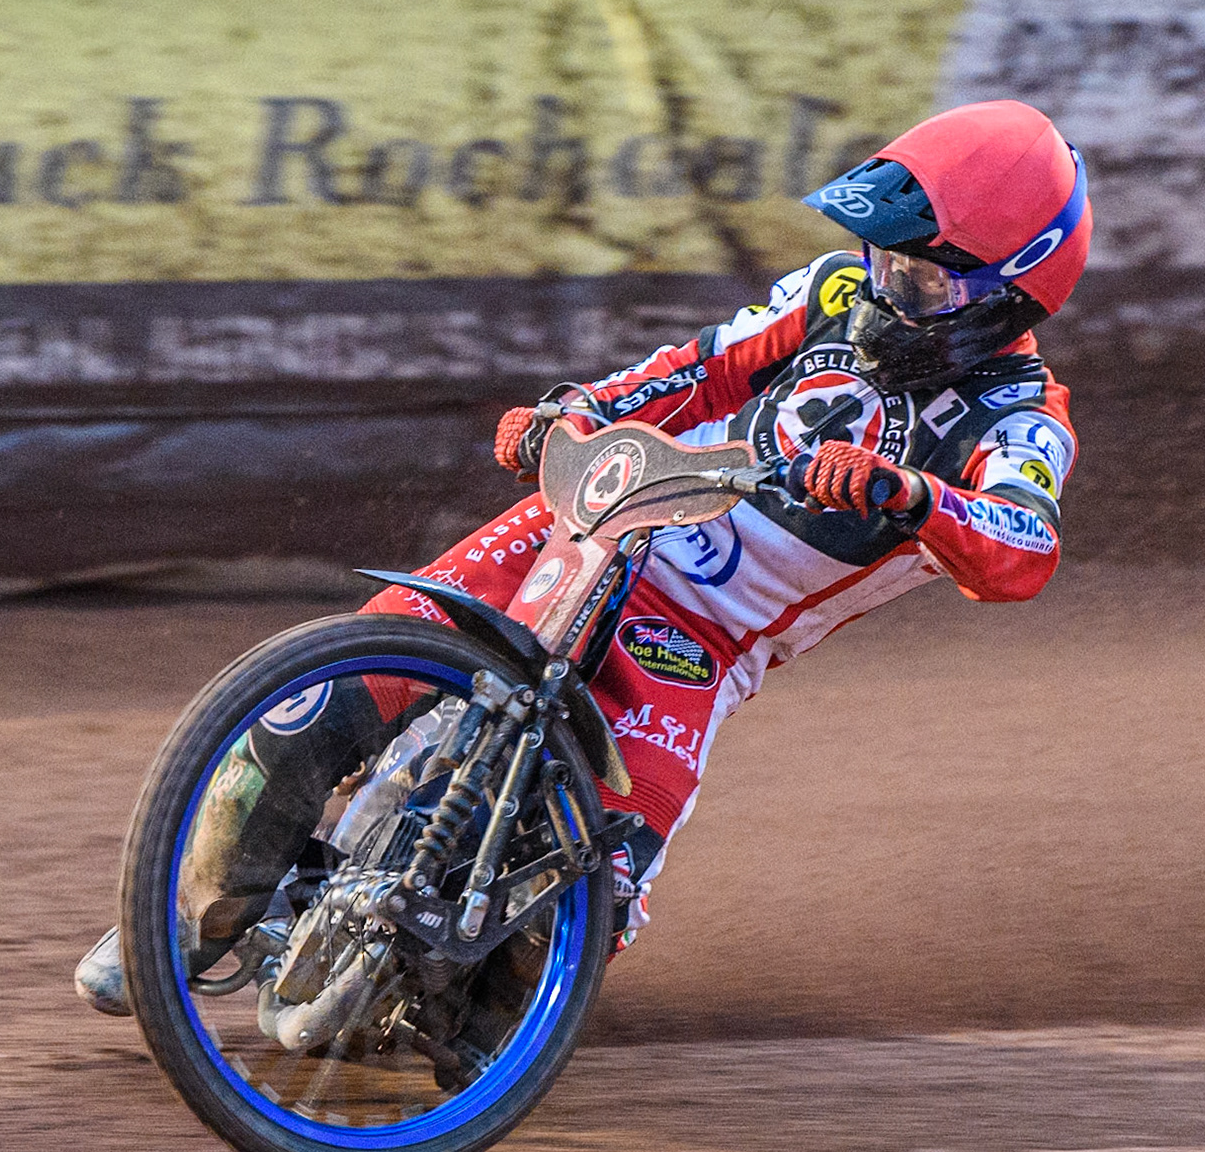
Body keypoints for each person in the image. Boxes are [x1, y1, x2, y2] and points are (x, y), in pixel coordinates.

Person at [76, 98, 1089, 1015]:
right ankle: (180, 923)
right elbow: (692, 372)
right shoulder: (830, 294)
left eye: (918, 274)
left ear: (1010, 294)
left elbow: (1022, 545)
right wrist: (578, 414)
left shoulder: (1022, 422)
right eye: (880, 258)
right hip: (605, 525)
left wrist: (906, 491)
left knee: (586, 902)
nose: (884, 285)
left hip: (702, 642)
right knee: (334, 684)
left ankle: (463, 1031)